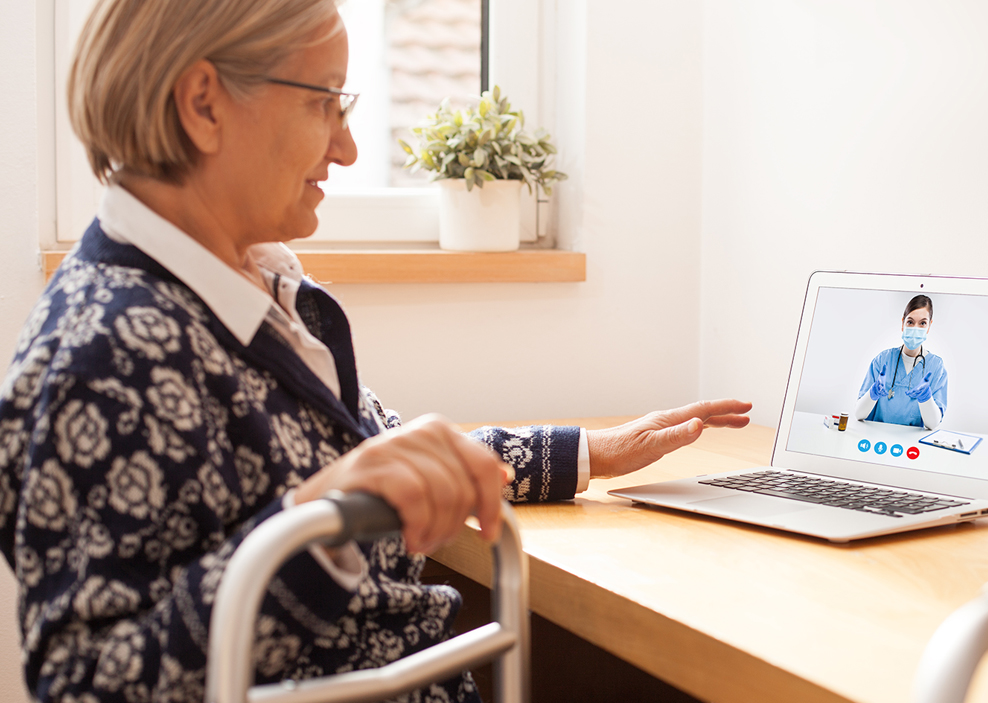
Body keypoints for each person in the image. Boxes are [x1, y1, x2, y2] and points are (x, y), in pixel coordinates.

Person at [0, 0, 752, 700]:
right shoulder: (99, 356)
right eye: (323, 101)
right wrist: (311, 524)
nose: (349, 146)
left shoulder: (255, 288)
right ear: (204, 104)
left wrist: (589, 449)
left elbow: (383, 455)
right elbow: (85, 685)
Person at [853, 295, 947, 429]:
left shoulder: (936, 367)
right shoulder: (883, 360)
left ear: (929, 326)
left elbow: (933, 424)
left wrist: (926, 399)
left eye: (922, 323)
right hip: (876, 439)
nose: (915, 328)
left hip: (911, 445)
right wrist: (872, 393)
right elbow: (858, 414)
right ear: (903, 323)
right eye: (910, 322)